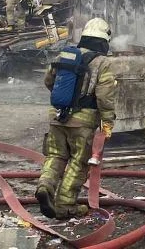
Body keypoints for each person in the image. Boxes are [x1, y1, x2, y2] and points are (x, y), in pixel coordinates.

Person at [35, 18, 116, 219]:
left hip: (57, 115)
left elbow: (49, 81)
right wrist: (107, 125)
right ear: (104, 41)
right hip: (83, 121)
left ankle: (45, 187)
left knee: (55, 155)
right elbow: (105, 96)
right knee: (78, 163)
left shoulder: (67, 54)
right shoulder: (103, 63)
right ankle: (65, 205)